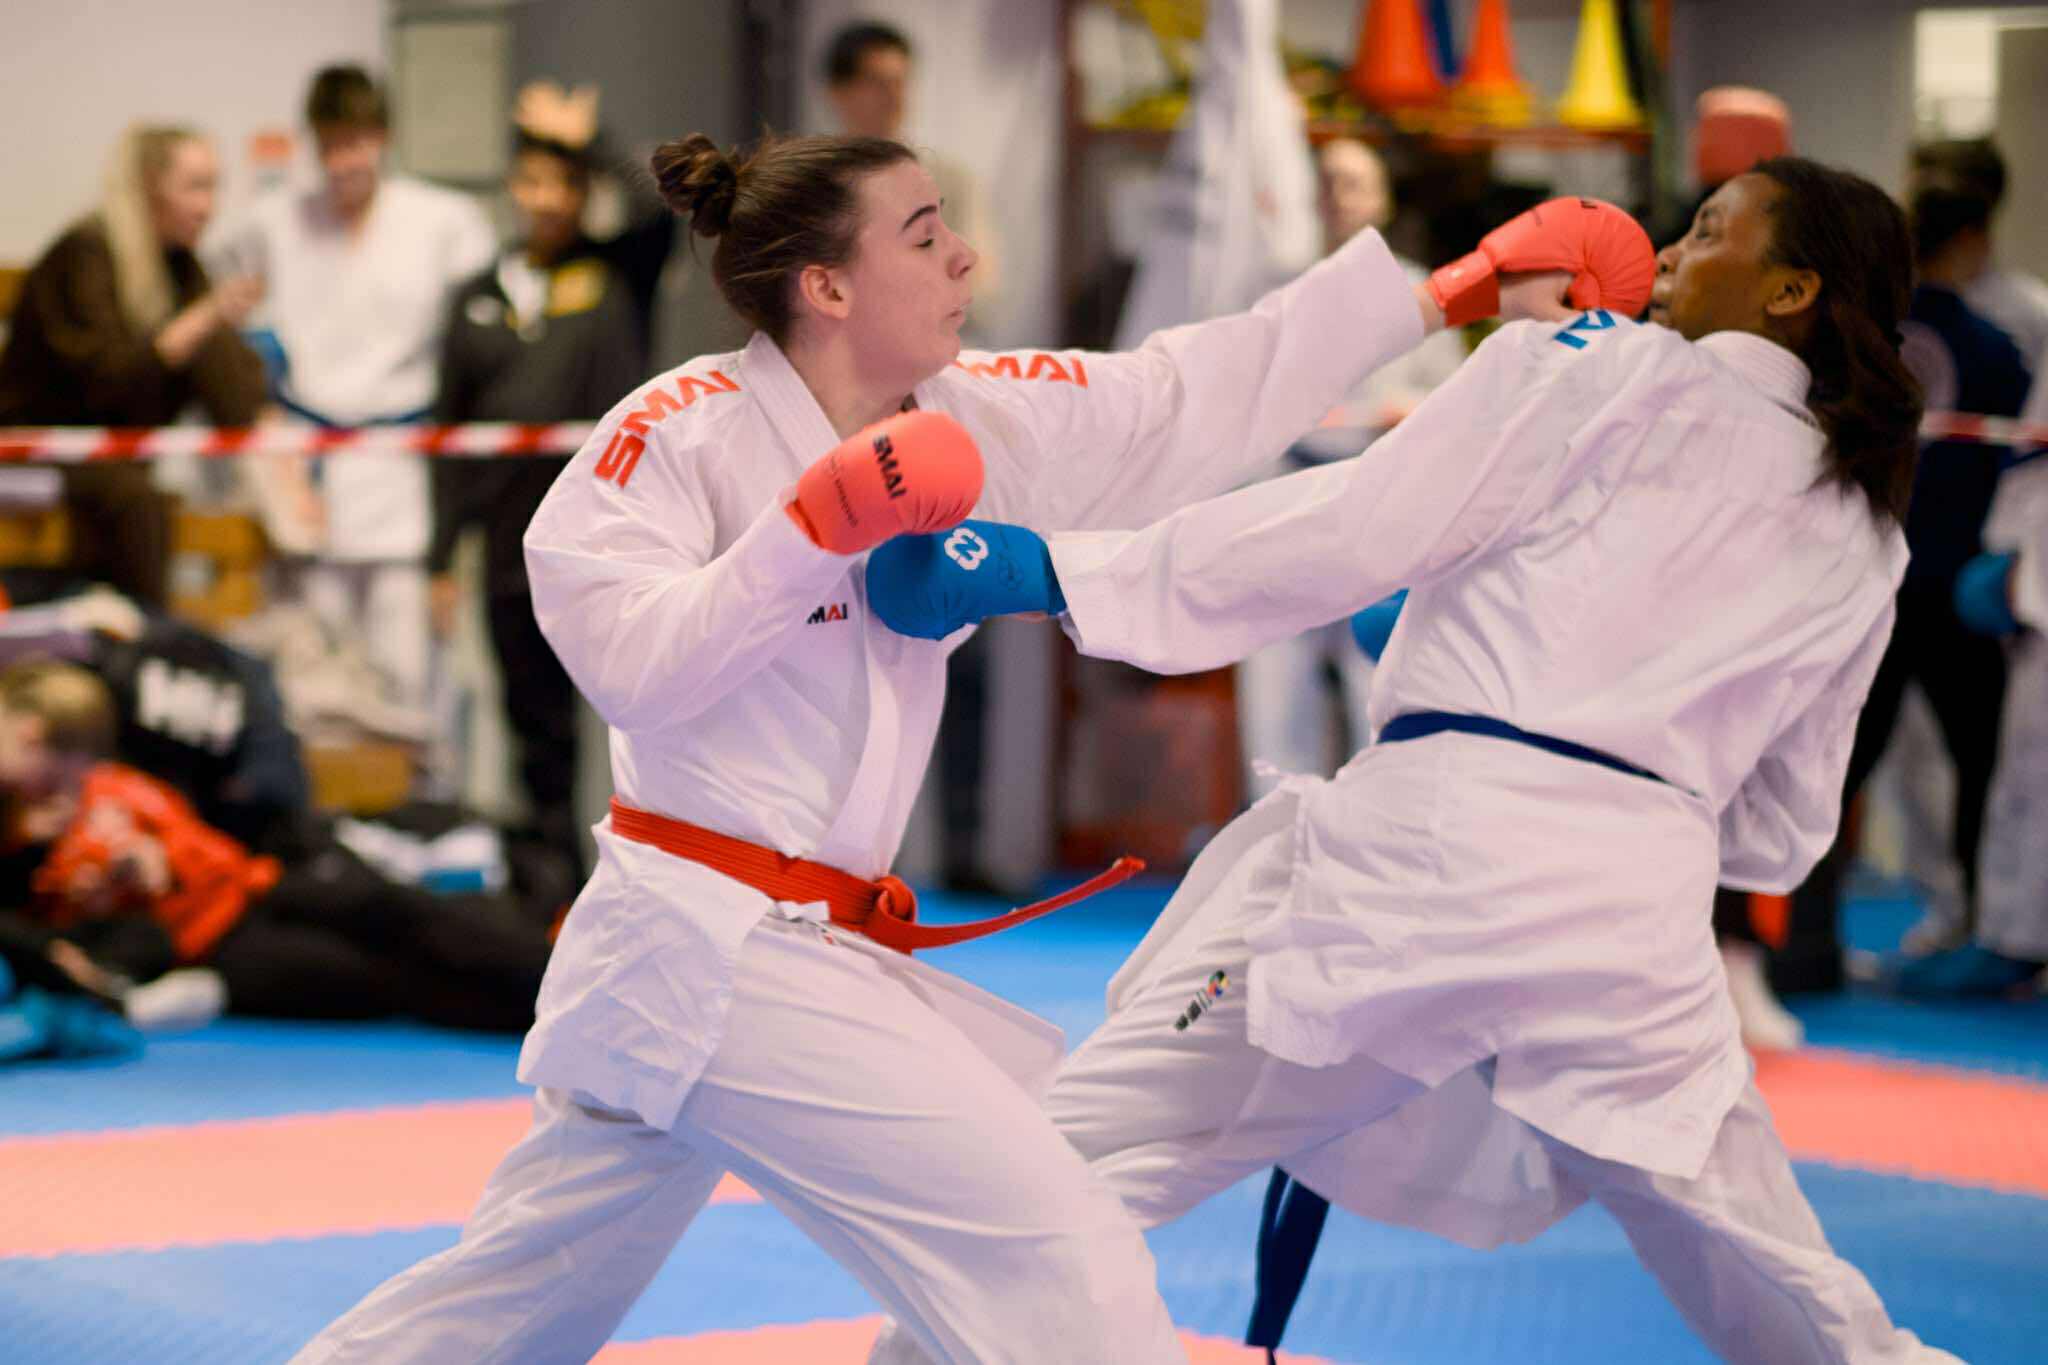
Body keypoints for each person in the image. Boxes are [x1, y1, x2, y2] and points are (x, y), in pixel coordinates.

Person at [288, 126, 1639, 1364]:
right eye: (925, 233)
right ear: (827, 285)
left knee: (511, 1302)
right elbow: (631, 666)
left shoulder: (962, 412)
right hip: (719, 946)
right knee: (1061, 1259)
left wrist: (1446, 291)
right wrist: (805, 531)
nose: (965, 257)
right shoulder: (673, 431)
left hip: (771, 952)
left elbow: (1183, 394)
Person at [863, 160, 1956, 1362]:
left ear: (1790, 288)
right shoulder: (1865, 530)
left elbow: (1355, 525)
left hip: (1430, 854)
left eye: (1704, 232)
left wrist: (1055, 572)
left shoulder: (1599, 362)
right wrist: (1621, 744)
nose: (1667, 252)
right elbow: (1780, 832)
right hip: (1635, 917)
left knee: (1073, 1162)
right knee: (1759, 1260)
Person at [219, 65, 496, 719]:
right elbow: (220, 289)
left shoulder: (443, 220)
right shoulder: (273, 222)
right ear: (314, 143)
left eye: (358, 142)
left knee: (407, 660)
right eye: (331, 144)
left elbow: (476, 341)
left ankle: (419, 775)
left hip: (402, 453)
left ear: (384, 137)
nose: (344, 160)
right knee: (313, 661)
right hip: (309, 459)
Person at [428, 82, 649, 868]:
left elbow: (659, 210)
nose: (547, 199)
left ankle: (637, 874)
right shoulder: (475, 297)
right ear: (512, 189)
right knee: (533, 721)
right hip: (507, 544)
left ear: (582, 192)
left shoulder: (617, 271)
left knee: (635, 719)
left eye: (563, 183)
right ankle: (553, 883)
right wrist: (439, 558)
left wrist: (593, 140)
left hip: (612, 533)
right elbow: (448, 433)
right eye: (532, 182)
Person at [820, 19, 1011, 893]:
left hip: (934, 425)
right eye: (876, 81)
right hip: (833, 435)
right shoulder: (809, 188)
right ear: (840, 92)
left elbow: (983, 280)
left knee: (959, 627)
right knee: (834, 647)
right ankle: (838, 850)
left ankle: (963, 843)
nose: (892, 96)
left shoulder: (946, 181)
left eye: (902, 80)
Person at [1237, 137, 1466, 804]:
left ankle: (1377, 825)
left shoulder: (1427, 292)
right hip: (1287, 493)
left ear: (1382, 200)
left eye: (1355, 182)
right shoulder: (1277, 292)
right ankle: (1274, 826)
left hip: (1378, 498)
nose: (1340, 196)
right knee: (1278, 682)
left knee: (1376, 677)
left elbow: (1458, 402)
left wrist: (1410, 409)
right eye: (1329, 181)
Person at [0, 124, 267, 606]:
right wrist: (197, 322)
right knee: (138, 499)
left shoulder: (179, 262)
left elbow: (221, 369)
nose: (208, 206)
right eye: (195, 187)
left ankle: (271, 465)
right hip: (43, 439)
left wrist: (209, 325)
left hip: (119, 447)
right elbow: (102, 381)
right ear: (150, 186)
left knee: (215, 342)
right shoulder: (85, 252)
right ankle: (146, 633)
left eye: (214, 187)